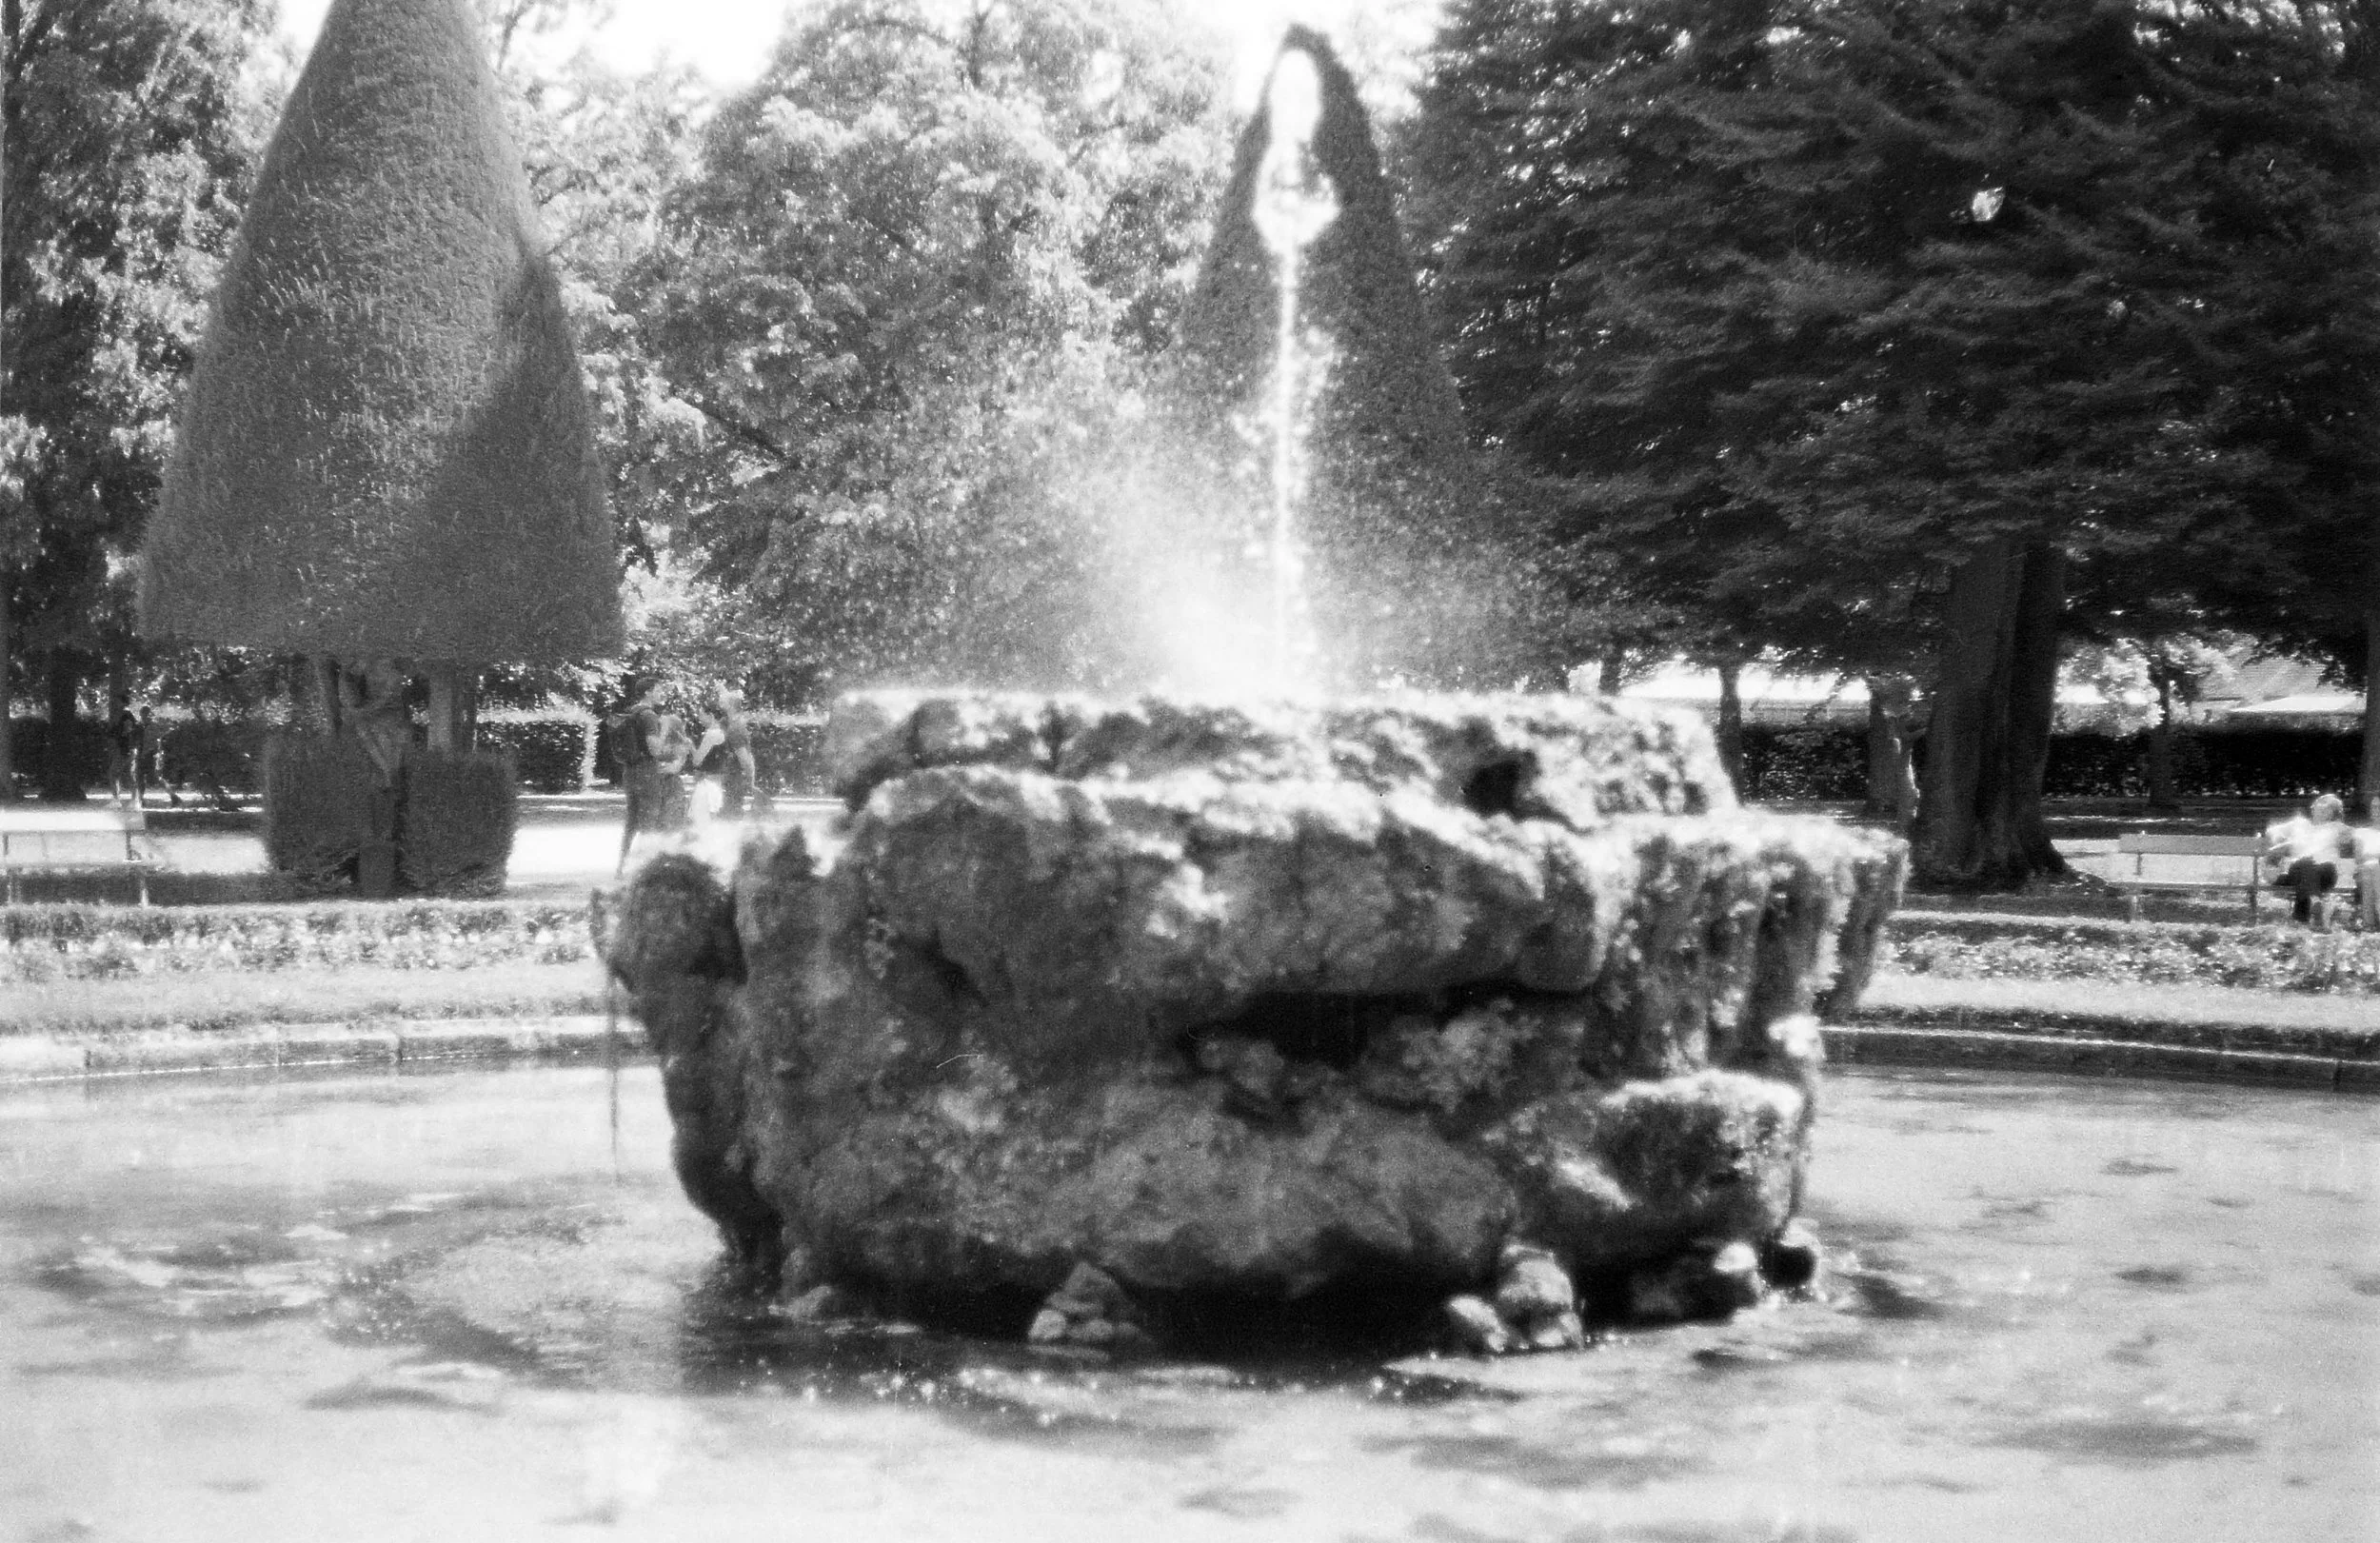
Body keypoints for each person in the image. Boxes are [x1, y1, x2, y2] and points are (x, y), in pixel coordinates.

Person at [613, 676, 688, 873]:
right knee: (649, 821)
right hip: (647, 772)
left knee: (631, 821)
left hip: (629, 771)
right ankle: (645, 870)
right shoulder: (649, 716)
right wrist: (664, 729)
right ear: (648, 692)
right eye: (658, 689)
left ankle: (622, 866)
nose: (661, 693)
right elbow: (654, 749)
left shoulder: (631, 712)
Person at [2262, 793, 2352, 926]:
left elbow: (2354, 836)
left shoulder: (2337, 827)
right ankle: (2315, 904)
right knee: (2303, 864)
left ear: (2333, 813)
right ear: (2313, 807)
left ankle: (2304, 915)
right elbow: (2272, 830)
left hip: (2325, 871)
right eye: (2323, 803)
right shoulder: (2300, 824)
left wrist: (2346, 838)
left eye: (2331, 808)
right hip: (2298, 869)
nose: (2326, 809)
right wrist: (2280, 840)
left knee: (2303, 866)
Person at [691, 686, 758, 820]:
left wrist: (751, 783)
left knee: (728, 819)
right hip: (725, 781)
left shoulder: (735, 729)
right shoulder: (727, 724)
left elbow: (745, 760)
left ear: (730, 706)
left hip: (732, 782)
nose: (719, 703)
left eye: (722, 701)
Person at [104, 693, 142, 804]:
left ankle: (117, 800)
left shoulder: (125, 715)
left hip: (124, 749)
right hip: (129, 748)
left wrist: (121, 736)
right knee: (129, 775)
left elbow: (127, 731)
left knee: (113, 773)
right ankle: (134, 800)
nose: (115, 704)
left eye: (117, 701)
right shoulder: (127, 715)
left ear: (122, 702)